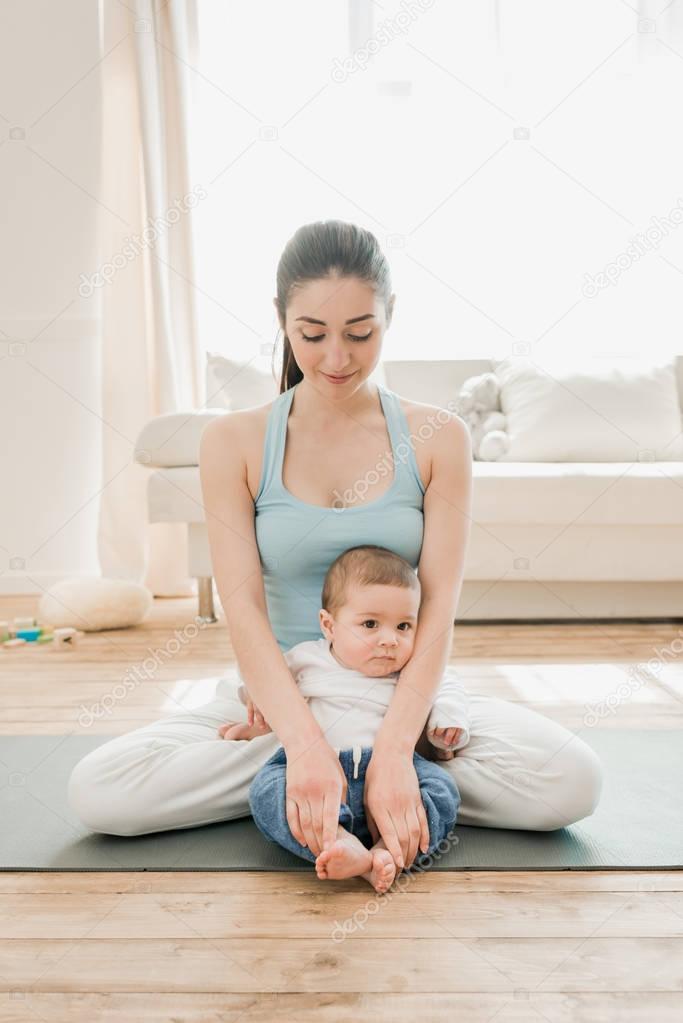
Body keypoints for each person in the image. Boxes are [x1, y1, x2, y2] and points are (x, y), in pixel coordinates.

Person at [67, 220, 603, 866]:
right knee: (98, 791)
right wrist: (304, 741)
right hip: (283, 697)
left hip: (402, 693)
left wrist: (400, 747)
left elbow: (435, 612)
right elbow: (242, 612)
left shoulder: (438, 438)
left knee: (573, 781)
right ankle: (321, 778)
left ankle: (363, 784)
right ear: (281, 319)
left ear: (390, 315)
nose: (336, 358)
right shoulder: (233, 441)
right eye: (312, 334)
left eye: (359, 333)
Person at [221, 544, 467, 892]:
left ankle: (387, 849)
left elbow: (447, 687)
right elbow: (264, 684)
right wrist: (256, 717)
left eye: (403, 626)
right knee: (266, 791)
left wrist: (446, 727)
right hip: (318, 771)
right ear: (329, 625)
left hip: (394, 772)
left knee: (443, 791)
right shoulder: (306, 659)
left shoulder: (410, 669)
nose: (389, 640)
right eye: (370, 624)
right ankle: (337, 841)